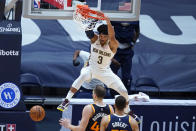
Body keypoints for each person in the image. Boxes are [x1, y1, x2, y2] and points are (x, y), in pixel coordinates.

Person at [57, 16, 130, 114]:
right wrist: (93, 22)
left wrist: (108, 22)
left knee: (123, 91)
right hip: (91, 69)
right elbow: (88, 32)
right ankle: (66, 100)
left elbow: (112, 35)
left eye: (104, 36)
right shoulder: (95, 40)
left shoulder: (113, 44)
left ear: (108, 36)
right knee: (82, 75)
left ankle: (128, 110)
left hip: (105, 72)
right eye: (100, 35)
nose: (102, 38)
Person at [110, 21, 140, 96]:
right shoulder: (115, 22)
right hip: (116, 52)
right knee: (112, 74)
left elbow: (137, 32)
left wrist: (133, 43)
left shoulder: (134, 22)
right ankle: (112, 95)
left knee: (126, 76)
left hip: (127, 52)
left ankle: (126, 95)